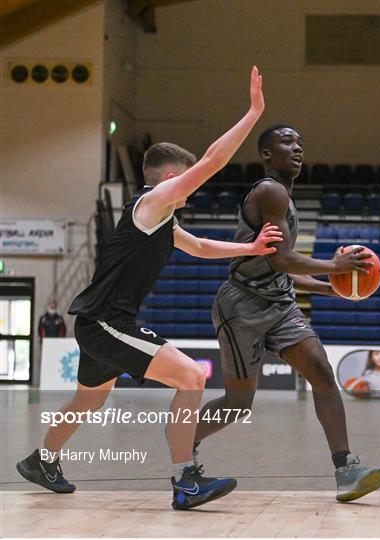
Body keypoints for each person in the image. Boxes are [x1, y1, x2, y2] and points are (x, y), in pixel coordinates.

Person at [16, 67, 285, 510]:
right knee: (192, 374)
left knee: (89, 400)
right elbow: (212, 162)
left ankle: (42, 460)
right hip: (106, 322)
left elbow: (197, 246)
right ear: (167, 181)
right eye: (185, 179)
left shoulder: (160, 219)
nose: (190, 187)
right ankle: (186, 479)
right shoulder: (151, 203)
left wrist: (251, 245)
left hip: (97, 322)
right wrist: (254, 112)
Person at [193, 124, 380, 503]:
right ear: (266, 153)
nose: (297, 148)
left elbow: (282, 269)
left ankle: (346, 468)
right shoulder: (269, 190)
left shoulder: (287, 198)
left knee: (320, 369)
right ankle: (185, 438)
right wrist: (335, 266)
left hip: (278, 303)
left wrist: (334, 287)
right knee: (237, 404)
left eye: (300, 142)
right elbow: (281, 260)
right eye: (286, 142)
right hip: (241, 304)